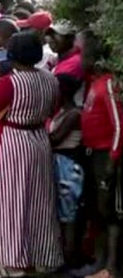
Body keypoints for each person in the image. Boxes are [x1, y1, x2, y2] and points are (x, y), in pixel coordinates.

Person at [0, 32, 63, 278]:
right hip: (39, 139)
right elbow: (54, 108)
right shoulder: (50, 80)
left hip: (14, 141)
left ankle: (14, 262)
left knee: (11, 202)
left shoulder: (11, 82)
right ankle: (40, 258)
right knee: (38, 202)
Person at [77, 31, 122, 278]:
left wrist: (112, 162)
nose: (79, 59)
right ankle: (101, 261)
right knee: (98, 210)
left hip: (106, 155)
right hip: (93, 153)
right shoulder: (93, 82)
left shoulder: (108, 84)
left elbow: (119, 125)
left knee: (111, 212)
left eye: (83, 54)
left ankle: (112, 269)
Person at [49, 73, 84, 266]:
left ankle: (69, 258)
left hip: (69, 165)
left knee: (69, 214)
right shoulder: (63, 112)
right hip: (61, 162)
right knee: (63, 213)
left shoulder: (73, 114)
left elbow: (55, 138)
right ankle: (64, 255)